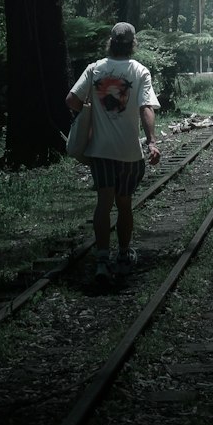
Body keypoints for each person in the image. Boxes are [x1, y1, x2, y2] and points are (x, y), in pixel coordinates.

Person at [66, 22, 161, 283]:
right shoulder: (140, 71)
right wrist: (152, 141)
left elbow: (71, 100)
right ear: (132, 44)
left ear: (110, 42)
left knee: (103, 204)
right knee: (124, 204)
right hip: (129, 152)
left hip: (101, 151)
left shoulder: (95, 69)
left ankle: (101, 260)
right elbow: (146, 108)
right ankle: (122, 254)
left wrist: (92, 110)